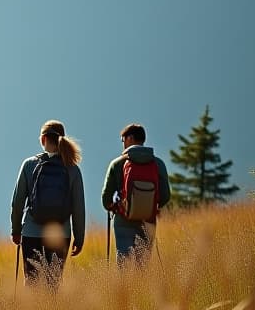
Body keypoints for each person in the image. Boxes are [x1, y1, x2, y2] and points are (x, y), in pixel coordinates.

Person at [10, 120, 85, 290]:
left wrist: (16, 230)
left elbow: (17, 202)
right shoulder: (72, 168)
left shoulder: (29, 165)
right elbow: (78, 208)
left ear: (43, 139)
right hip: (61, 234)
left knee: (32, 283)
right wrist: (79, 238)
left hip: (31, 233)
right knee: (53, 284)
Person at [102, 123, 171, 268]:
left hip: (123, 219)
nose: (122, 143)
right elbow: (165, 196)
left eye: (123, 139)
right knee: (142, 264)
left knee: (124, 260)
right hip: (148, 220)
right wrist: (150, 206)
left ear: (130, 138)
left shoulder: (117, 164)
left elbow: (106, 198)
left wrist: (115, 207)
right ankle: (140, 290)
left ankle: (125, 290)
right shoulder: (158, 164)